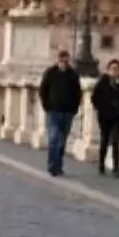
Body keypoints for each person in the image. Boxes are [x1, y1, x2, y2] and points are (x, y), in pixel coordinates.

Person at [38, 49, 82, 177]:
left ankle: (59, 165)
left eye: (66, 61)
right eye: (62, 61)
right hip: (54, 111)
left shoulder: (73, 74)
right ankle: (52, 166)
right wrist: (47, 107)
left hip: (68, 112)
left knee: (62, 140)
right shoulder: (50, 73)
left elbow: (78, 93)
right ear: (58, 60)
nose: (64, 63)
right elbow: (43, 90)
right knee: (53, 139)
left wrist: (74, 109)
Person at [91, 58, 119, 177]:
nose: (115, 71)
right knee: (104, 140)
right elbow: (94, 98)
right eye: (113, 69)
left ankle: (116, 167)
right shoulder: (102, 83)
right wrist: (101, 108)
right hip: (104, 117)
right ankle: (101, 164)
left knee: (115, 141)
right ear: (108, 70)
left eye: (117, 69)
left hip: (117, 118)